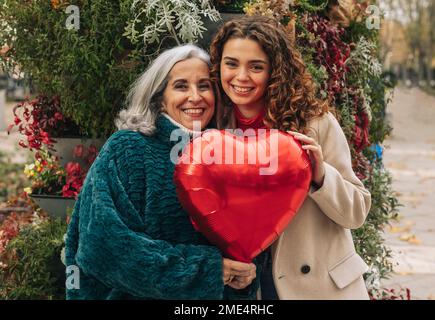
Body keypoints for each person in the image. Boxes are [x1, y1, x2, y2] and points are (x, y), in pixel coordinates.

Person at [64, 44, 258, 300]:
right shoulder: (128, 148)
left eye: (204, 86)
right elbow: (103, 244)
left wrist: (242, 282)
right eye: (180, 86)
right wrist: (206, 270)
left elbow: (236, 251)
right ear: (159, 99)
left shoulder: (227, 157)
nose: (195, 96)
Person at [209, 15, 372, 300]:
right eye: (231, 63)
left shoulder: (315, 123)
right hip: (251, 284)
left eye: (256, 67)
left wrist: (321, 177)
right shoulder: (213, 128)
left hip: (320, 286)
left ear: (275, 71)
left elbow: (357, 212)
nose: (241, 77)